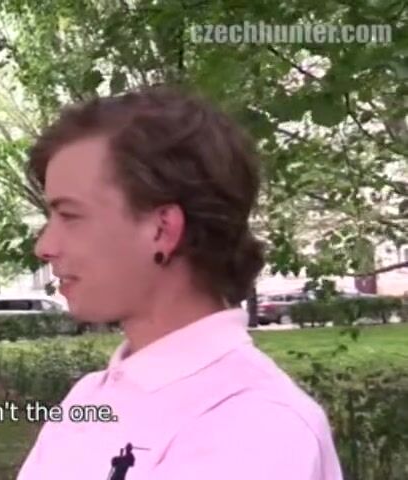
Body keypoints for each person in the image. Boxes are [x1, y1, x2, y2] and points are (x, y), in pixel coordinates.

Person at [17, 86, 342, 479]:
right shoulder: (88, 397)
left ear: (162, 229)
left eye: (70, 216)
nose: (45, 246)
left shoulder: (259, 428)